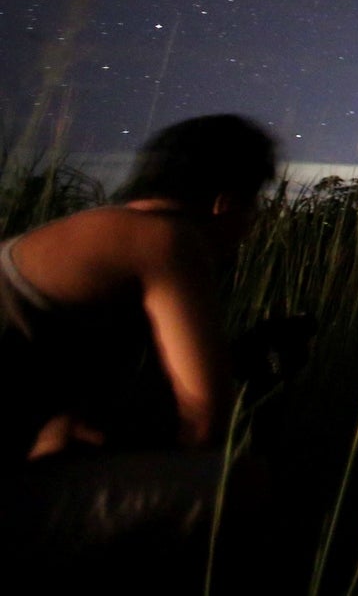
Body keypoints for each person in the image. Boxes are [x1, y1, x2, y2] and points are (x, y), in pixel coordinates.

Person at [0, 113, 279, 564]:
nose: (254, 226)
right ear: (224, 204)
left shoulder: (93, 231)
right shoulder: (167, 239)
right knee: (244, 482)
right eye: (255, 207)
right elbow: (205, 423)